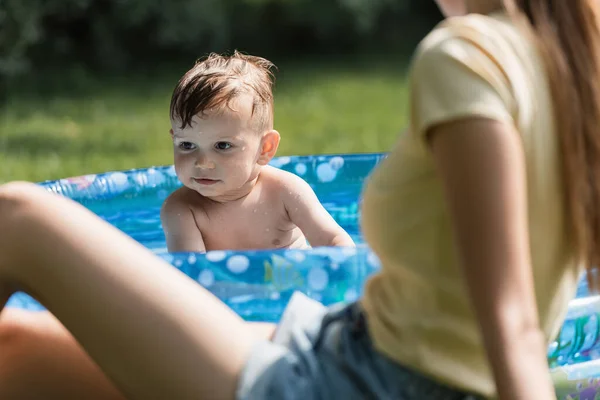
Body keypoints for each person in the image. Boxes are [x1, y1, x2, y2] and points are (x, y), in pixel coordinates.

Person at [0, 0, 597, 398]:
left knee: (16, 218)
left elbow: (510, 319)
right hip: (358, 341)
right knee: (24, 348)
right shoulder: (580, 59)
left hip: (362, 381)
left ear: (265, 148)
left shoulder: (470, 56)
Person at [161, 51, 355, 253]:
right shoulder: (182, 210)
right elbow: (189, 277)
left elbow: (334, 241)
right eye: (187, 145)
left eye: (222, 146)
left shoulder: (286, 192)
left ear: (265, 148)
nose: (202, 162)